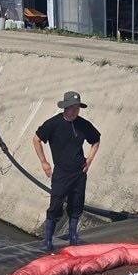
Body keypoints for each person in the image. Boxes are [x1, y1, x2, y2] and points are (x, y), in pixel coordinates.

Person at [32, 91, 101, 251]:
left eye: (77, 107)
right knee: (56, 205)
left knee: (76, 204)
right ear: (65, 107)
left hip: (79, 172)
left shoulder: (83, 124)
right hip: (62, 172)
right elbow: (36, 139)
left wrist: (89, 160)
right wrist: (44, 162)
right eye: (72, 107)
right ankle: (48, 241)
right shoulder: (53, 124)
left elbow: (96, 140)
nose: (75, 111)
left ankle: (73, 236)